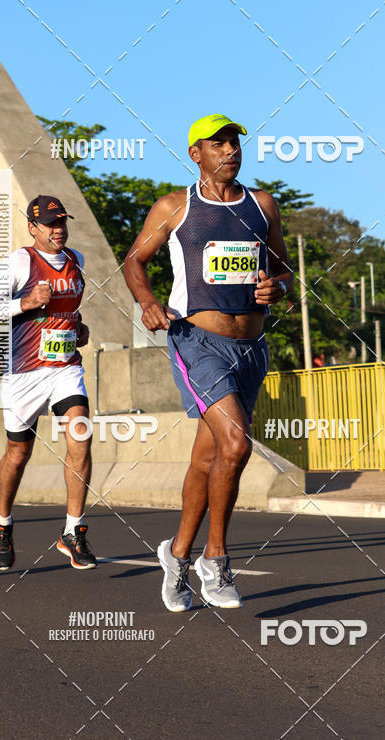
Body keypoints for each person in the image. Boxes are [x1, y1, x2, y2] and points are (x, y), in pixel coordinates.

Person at [123, 114, 293, 610]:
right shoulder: (175, 207)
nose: (230, 150)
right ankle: (215, 559)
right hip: (196, 342)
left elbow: (282, 268)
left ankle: (177, 554)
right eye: (218, 143)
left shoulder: (262, 205)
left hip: (252, 348)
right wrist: (147, 302)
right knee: (236, 444)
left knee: (208, 456)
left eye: (235, 142)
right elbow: (134, 260)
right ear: (196, 153)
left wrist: (278, 287)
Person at [0, 195, 97, 571]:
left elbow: (67, 310)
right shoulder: (19, 262)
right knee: (18, 454)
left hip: (65, 368)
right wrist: (23, 303)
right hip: (24, 373)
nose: (58, 229)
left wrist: (78, 327)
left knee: (81, 434)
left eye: (62, 222)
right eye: (50, 224)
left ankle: (73, 531)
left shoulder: (77, 260)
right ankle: (3, 521)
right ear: (32, 227)